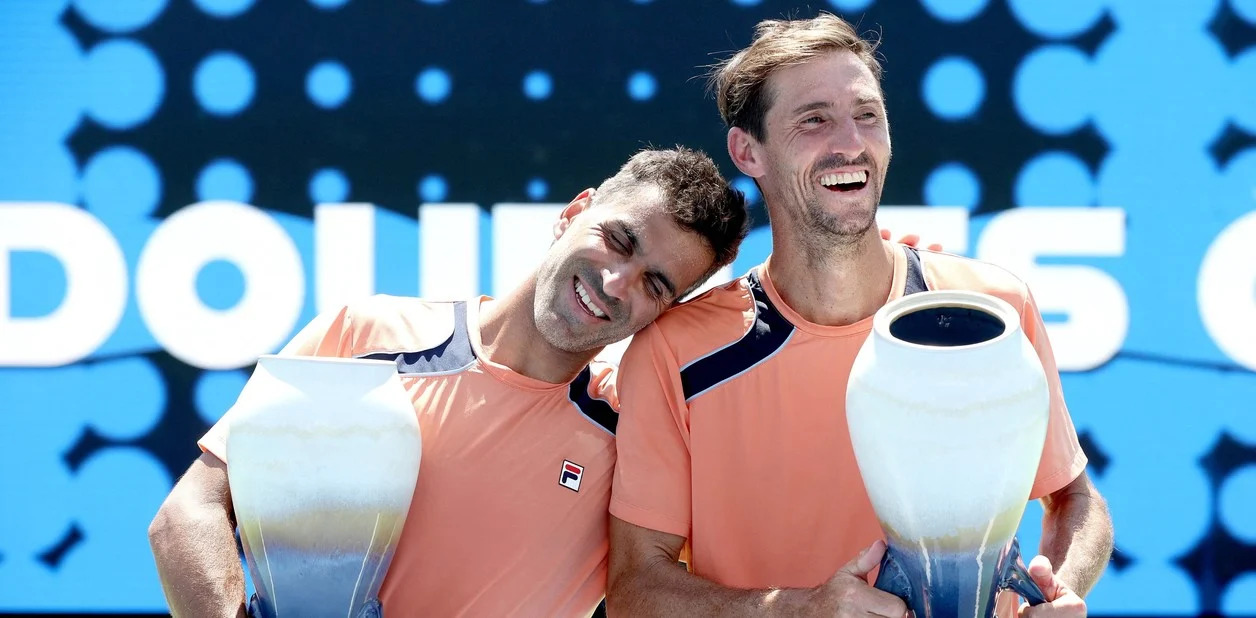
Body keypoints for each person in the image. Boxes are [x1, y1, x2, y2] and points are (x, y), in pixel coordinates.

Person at [606, 13, 1114, 618]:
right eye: (814, 120)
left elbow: (1076, 501)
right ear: (748, 151)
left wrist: (1060, 590)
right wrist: (801, 609)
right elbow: (637, 588)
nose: (850, 142)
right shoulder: (674, 354)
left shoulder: (993, 309)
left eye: (867, 114)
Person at [147, 147, 750, 617]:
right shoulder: (368, 334)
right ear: (573, 212)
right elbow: (189, 514)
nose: (617, 282)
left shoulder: (637, 437)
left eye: (655, 285)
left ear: (664, 315)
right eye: (618, 240)